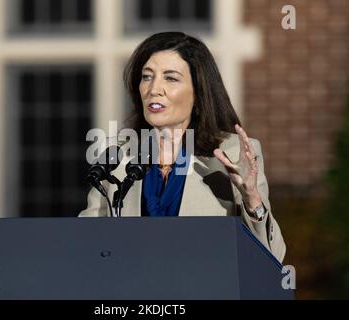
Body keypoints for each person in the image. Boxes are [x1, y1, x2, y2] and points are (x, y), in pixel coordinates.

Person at [79, 32, 286, 263]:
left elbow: (272, 256)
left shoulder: (232, 152)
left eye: (171, 78)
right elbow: (86, 243)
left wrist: (251, 198)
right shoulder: (118, 156)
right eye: (147, 77)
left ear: (198, 92)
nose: (154, 89)